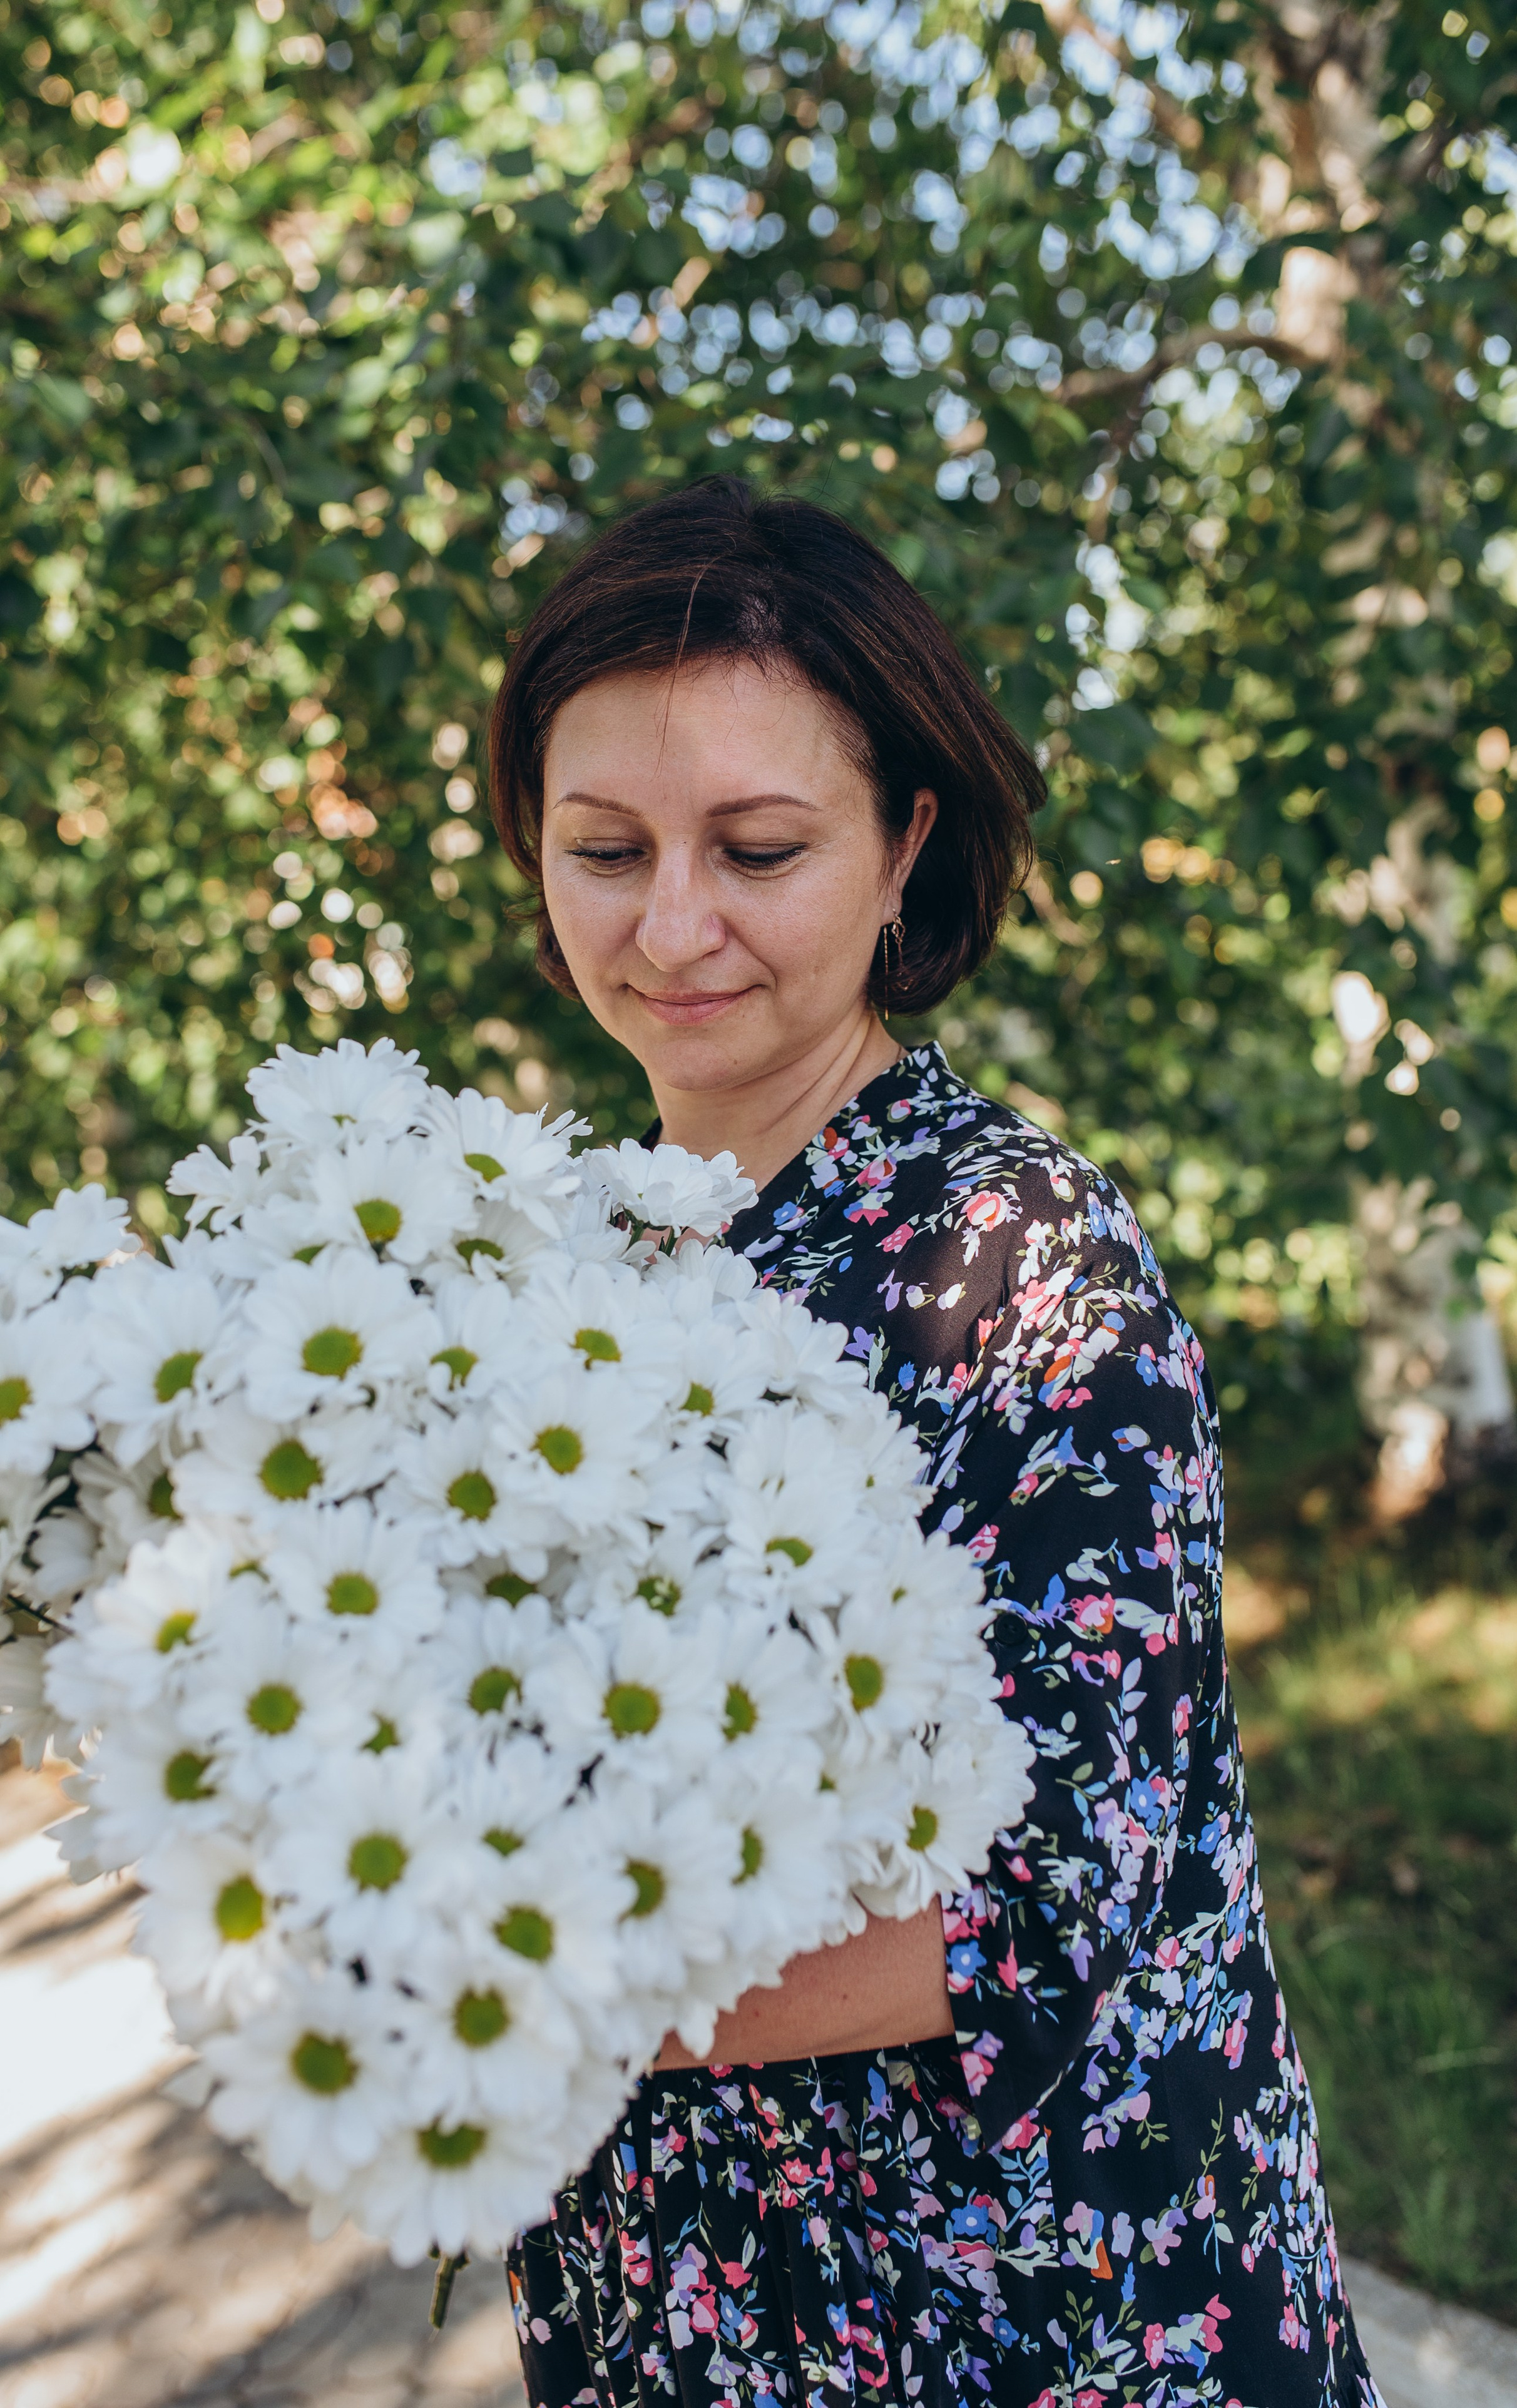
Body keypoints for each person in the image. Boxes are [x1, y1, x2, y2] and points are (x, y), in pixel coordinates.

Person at [484, 478, 1380, 2408]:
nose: (671, 924)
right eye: (605, 848)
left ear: (905, 848)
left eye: (759, 846)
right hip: (672, 2296)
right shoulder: (549, 1263)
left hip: (1022, 2303)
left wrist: (500, 1985)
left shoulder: (1023, 1263)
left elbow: (1052, 1883)